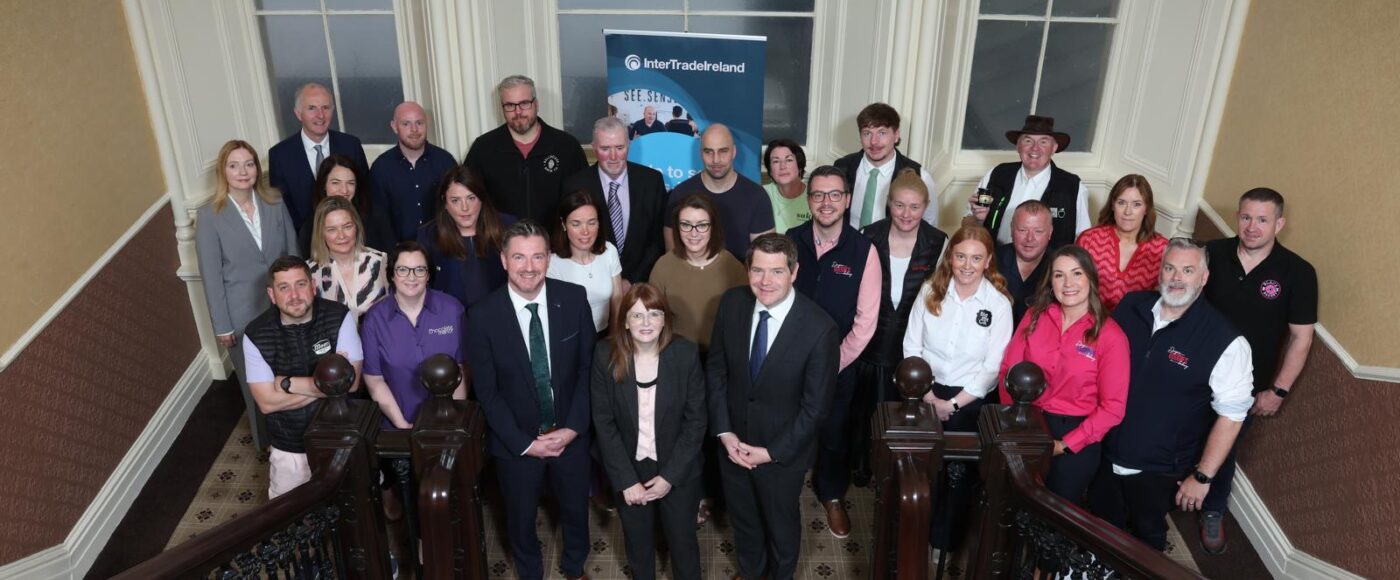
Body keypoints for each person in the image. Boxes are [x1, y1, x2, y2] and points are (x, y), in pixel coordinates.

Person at [1092, 238, 1255, 552]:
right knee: (1102, 524)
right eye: (1170, 268)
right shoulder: (1131, 307)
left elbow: (1232, 417)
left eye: (1188, 270)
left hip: (1161, 468)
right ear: (1160, 273)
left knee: (1147, 536)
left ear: (1203, 278)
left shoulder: (1225, 341)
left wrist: (1203, 477)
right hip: (1105, 449)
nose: (1177, 277)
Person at [467, 220, 595, 580]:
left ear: (549, 258)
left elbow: (588, 370)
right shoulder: (481, 316)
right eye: (519, 257)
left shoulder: (573, 299)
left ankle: (574, 567)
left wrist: (572, 428)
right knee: (520, 518)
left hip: (570, 433)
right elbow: (487, 392)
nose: (529, 266)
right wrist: (525, 444)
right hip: (517, 443)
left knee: (575, 511)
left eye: (538, 256)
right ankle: (530, 572)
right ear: (504, 260)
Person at [708, 233, 839, 580]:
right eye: (758, 271)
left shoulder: (820, 329)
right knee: (745, 523)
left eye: (777, 272)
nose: (766, 282)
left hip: (782, 455)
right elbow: (717, 372)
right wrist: (724, 432)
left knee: (781, 530)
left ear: (793, 273)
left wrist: (772, 452)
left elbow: (816, 409)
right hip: (733, 446)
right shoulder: (731, 303)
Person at [1198, 188, 1317, 553]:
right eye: (1246, 217)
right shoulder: (1211, 254)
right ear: (1238, 217)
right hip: (1193, 370)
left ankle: (1213, 510)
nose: (1252, 227)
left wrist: (1278, 390)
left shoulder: (1297, 272)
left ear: (1279, 223)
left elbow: (1301, 338)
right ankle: (1161, 496)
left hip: (1246, 387)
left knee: (1225, 448)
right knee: (1176, 434)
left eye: (1262, 220)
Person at [901, 224, 1014, 550]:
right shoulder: (929, 291)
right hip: (922, 393)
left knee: (957, 477)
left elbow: (992, 367)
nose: (967, 265)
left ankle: (942, 543)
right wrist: (928, 396)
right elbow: (912, 346)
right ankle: (913, 537)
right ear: (950, 257)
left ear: (987, 260)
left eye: (975, 258)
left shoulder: (998, 304)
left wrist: (952, 405)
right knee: (920, 472)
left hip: (969, 402)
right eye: (961, 256)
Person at [785, 166, 882, 538]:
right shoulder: (790, 241)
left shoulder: (863, 251)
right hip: (790, 363)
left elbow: (866, 320)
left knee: (835, 433)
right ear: (808, 200)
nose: (826, 203)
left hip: (841, 364)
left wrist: (832, 363)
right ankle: (784, 489)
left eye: (834, 195)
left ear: (847, 200)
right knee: (788, 428)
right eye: (818, 195)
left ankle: (832, 495)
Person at [591, 284, 706, 580]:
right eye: (637, 315)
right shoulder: (604, 354)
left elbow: (696, 422)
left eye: (654, 314)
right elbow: (604, 423)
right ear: (625, 321)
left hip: (677, 468)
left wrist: (670, 478)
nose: (646, 323)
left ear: (665, 320)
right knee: (638, 546)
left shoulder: (685, 354)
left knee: (683, 544)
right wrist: (626, 481)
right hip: (628, 467)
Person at [998, 245, 1129, 502]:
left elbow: (1113, 407)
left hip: (1075, 435)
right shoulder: (1035, 316)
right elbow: (1008, 372)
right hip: (1027, 420)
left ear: (1090, 278)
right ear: (1051, 282)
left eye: (1077, 273)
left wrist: (1066, 445)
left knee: (1055, 517)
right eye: (1059, 275)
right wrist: (1015, 420)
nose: (1068, 283)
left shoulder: (1111, 336)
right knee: (1012, 502)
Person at [196, 139, 299, 452]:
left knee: (291, 370)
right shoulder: (210, 216)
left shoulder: (275, 203)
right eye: (234, 165)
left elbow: (292, 253)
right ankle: (266, 444)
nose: (243, 171)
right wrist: (222, 325)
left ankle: (299, 434)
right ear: (223, 172)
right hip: (242, 314)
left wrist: (301, 297)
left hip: (286, 304)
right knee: (255, 380)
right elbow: (211, 276)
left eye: (249, 164)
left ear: (258, 168)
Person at [851, 168, 948, 485]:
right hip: (871, 345)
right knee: (863, 415)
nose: (906, 214)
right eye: (899, 205)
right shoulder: (867, 235)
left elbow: (941, 298)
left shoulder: (939, 242)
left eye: (915, 206)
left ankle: (895, 473)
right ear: (888, 204)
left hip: (912, 350)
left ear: (926, 206)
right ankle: (863, 468)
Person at [243, 256, 362, 498]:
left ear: (313, 286)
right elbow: (266, 403)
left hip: (340, 437)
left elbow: (351, 384)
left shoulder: (339, 316)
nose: (294, 295)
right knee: (290, 522)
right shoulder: (256, 334)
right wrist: (328, 386)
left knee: (355, 507)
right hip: (290, 447)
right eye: (283, 287)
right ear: (271, 294)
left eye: (300, 284)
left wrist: (286, 383)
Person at [361, 241, 466, 430]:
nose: (411, 277)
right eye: (403, 270)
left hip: (449, 424)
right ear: (392, 274)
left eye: (419, 269)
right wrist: (402, 426)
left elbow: (462, 370)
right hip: (398, 426)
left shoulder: (452, 310)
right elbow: (374, 379)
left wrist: (452, 422)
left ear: (428, 275)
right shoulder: (375, 318)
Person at [464, 75, 588, 225]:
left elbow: (583, 201)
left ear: (536, 104)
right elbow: (467, 198)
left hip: (555, 244)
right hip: (501, 244)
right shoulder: (483, 148)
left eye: (524, 103)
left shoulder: (567, 147)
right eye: (509, 105)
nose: (518, 112)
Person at [563, 116, 667, 283]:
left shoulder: (652, 181)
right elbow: (568, 241)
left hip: (641, 286)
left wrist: (632, 281)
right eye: (605, 148)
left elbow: (658, 241)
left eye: (619, 147)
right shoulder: (574, 185)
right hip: (591, 285)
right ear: (594, 147)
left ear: (629, 145)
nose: (613, 156)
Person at [965, 115, 1089, 250]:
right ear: (1018, 146)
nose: (1035, 148)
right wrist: (978, 220)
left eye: (1043, 142)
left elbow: (1083, 239)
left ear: (1054, 148)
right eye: (1028, 140)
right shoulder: (996, 174)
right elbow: (966, 224)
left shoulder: (1073, 187)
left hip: (1048, 269)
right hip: (994, 263)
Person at [648, 194, 748, 352]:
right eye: (686, 225)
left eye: (702, 225)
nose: (693, 233)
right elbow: (652, 319)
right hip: (675, 355)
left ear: (713, 227)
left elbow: (743, 321)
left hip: (721, 356)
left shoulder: (733, 267)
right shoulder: (663, 266)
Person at [268, 82, 369, 230]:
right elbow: (283, 210)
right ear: (298, 113)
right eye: (312, 108)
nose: (320, 115)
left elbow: (365, 196)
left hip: (351, 234)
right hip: (305, 241)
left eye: (325, 108)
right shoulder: (280, 155)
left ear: (332, 111)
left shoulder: (351, 145)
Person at [665, 124, 775, 258]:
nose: (716, 160)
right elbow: (672, 258)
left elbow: (765, 259)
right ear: (701, 153)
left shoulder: (757, 197)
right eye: (708, 151)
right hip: (689, 278)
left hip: (741, 278)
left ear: (734, 152)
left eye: (723, 151)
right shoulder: (680, 195)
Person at [417, 165, 515, 311]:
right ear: (445, 202)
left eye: (471, 198)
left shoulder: (508, 227)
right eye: (456, 200)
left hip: (501, 318)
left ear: (482, 199)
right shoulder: (428, 236)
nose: (465, 208)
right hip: (449, 321)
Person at [833, 103, 939, 228]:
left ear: (896, 135)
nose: (874, 141)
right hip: (848, 245)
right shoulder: (841, 168)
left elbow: (929, 225)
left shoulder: (920, 176)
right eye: (867, 133)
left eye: (882, 133)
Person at [1076, 174, 1169, 311]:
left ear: (1146, 209)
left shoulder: (1162, 248)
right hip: (1090, 319)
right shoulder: (1089, 239)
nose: (1127, 212)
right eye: (1121, 202)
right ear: (1113, 205)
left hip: (1135, 325)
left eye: (1136, 204)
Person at [371, 102, 459, 242]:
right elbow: (380, 220)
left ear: (426, 124)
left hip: (444, 249)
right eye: (406, 124)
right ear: (394, 127)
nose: (414, 130)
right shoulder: (381, 168)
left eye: (419, 123)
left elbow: (458, 207)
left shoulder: (445, 161)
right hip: (401, 254)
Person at [547, 189, 624, 333]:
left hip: (605, 335)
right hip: (570, 338)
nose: (585, 231)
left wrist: (614, 340)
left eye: (591, 222)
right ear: (564, 225)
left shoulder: (609, 251)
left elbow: (617, 298)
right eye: (576, 224)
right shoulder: (552, 263)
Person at [306, 197, 389, 321]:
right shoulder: (309, 272)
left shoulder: (380, 261)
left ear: (356, 226)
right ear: (321, 233)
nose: (341, 235)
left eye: (347, 226)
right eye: (332, 229)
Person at [297, 155, 396, 255]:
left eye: (351, 183)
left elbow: (391, 258)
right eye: (335, 183)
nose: (344, 190)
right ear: (323, 185)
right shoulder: (310, 227)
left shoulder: (376, 217)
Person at [997, 200, 1053, 325]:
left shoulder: (1061, 266)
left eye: (1038, 231)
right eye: (1022, 230)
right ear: (1011, 229)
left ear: (1050, 232)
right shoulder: (992, 260)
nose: (1030, 238)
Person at [762, 138, 811, 234]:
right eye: (776, 161)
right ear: (770, 170)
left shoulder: (815, 196)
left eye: (789, 160)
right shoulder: (761, 194)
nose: (782, 166)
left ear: (799, 166)